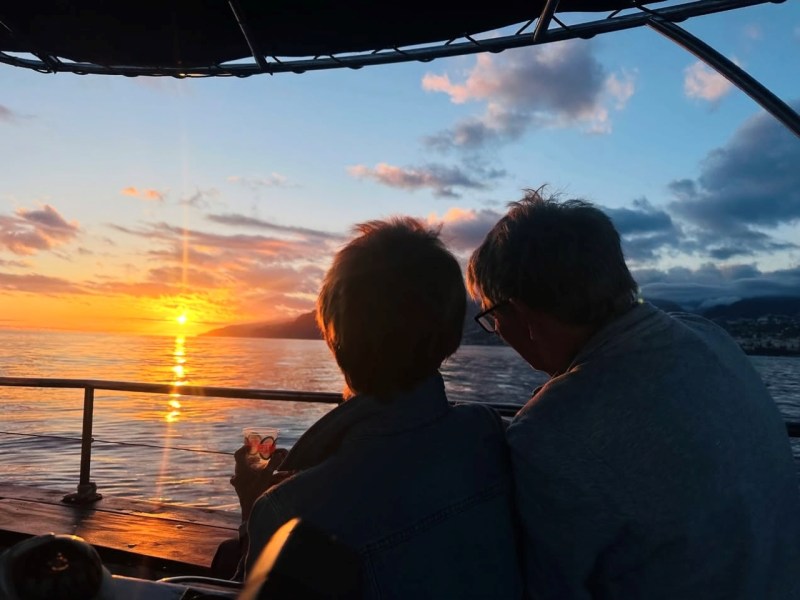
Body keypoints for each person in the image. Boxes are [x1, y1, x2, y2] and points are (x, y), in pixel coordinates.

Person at [466, 189, 800, 599]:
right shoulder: (712, 338)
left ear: (521, 316)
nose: (496, 331)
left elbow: (553, 589)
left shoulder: (550, 431)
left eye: (491, 317)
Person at [231, 217, 522, 598]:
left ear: (331, 332)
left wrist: (255, 510)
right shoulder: (490, 434)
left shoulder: (289, 513)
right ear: (451, 337)